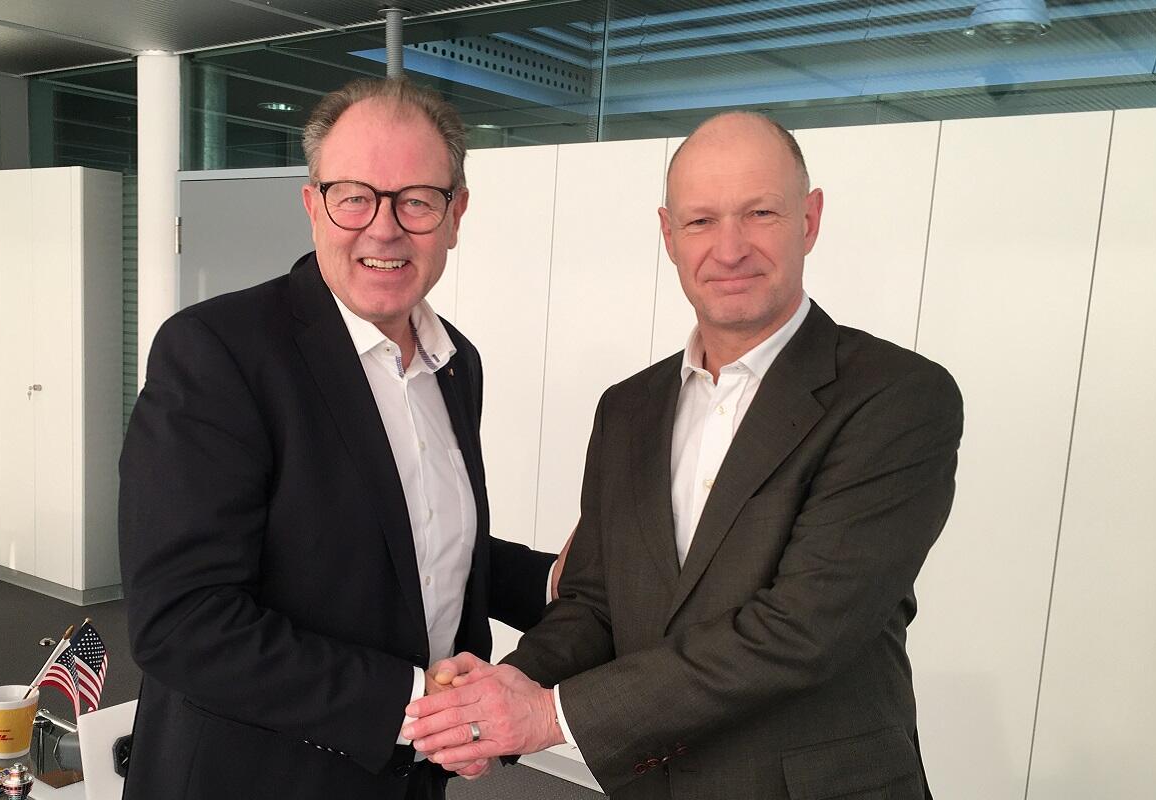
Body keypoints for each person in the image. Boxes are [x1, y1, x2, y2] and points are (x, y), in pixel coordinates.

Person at [404, 111, 963, 800]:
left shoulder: (896, 396)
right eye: (701, 221)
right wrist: (514, 684)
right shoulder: (628, 409)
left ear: (809, 219)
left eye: (759, 212)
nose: (729, 249)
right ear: (669, 235)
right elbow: (594, 602)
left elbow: (801, 630)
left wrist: (545, 714)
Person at [117, 78, 559, 800]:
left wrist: (552, 583)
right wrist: (419, 704)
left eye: (416, 200)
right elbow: (183, 620)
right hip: (254, 780)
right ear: (311, 205)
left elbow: (413, 543)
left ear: (455, 214)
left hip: (409, 780)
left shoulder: (457, 363)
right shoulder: (218, 352)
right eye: (353, 196)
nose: (383, 229)